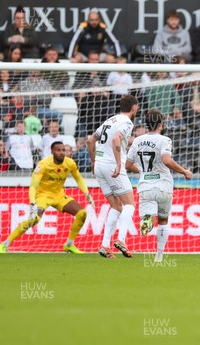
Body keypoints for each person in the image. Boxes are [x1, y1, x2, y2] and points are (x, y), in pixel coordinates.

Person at [0, 141, 95, 254]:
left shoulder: (70, 163)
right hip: (43, 196)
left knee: (82, 213)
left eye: (63, 150)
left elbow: (79, 178)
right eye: (58, 150)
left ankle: (69, 244)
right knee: (34, 219)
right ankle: (5, 244)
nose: (62, 153)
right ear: (52, 151)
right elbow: (33, 186)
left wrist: (86, 193)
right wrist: (32, 203)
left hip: (59, 196)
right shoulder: (43, 164)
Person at [125, 110, 192, 262]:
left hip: (145, 186)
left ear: (146, 124)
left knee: (146, 218)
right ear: (161, 124)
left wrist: (142, 171)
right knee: (163, 220)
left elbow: (128, 164)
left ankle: (147, 220)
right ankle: (159, 256)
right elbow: (167, 160)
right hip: (164, 185)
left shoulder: (137, 140)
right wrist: (184, 171)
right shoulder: (164, 140)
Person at [87, 95, 139, 259]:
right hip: (112, 165)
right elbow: (116, 138)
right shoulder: (127, 122)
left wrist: (93, 161)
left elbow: (90, 140)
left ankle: (105, 245)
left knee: (116, 207)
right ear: (134, 108)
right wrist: (118, 163)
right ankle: (121, 240)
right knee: (130, 204)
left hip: (100, 166)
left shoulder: (110, 120)